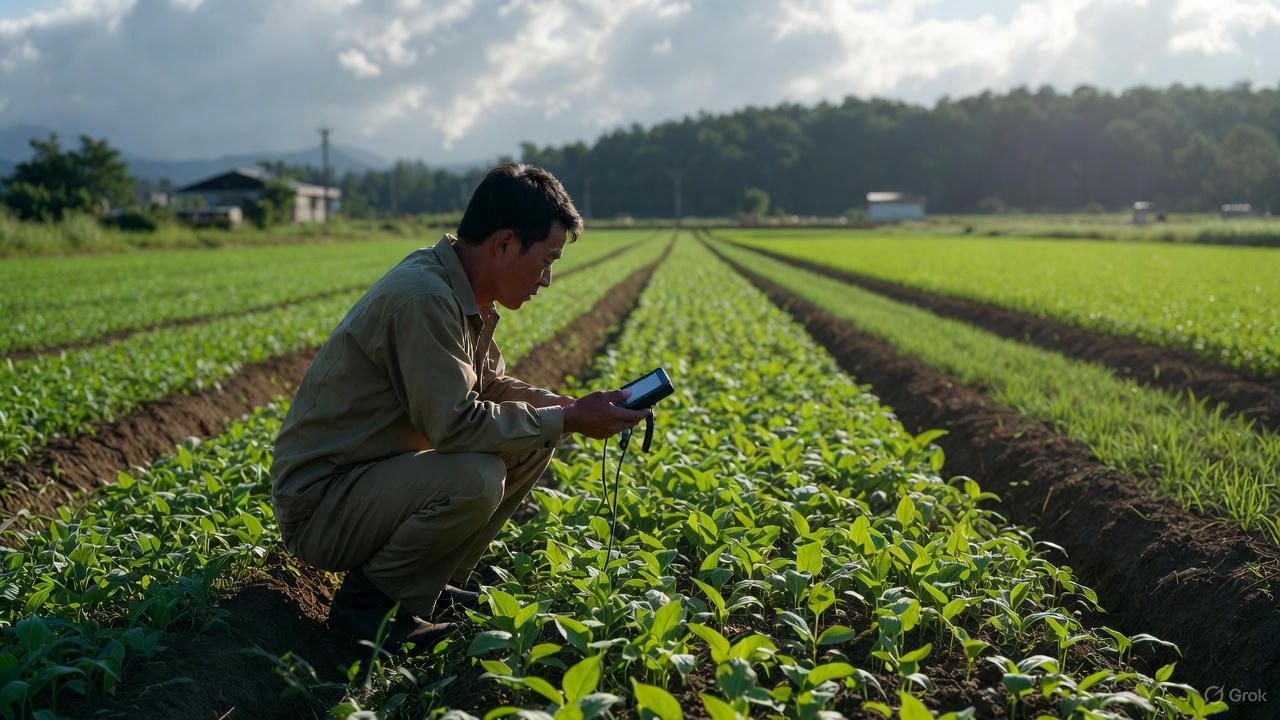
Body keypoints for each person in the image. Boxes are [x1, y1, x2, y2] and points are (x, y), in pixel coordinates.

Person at [270, 163, 650, 650]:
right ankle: (368, 609)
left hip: (369, 482)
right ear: (505, 243)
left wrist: (568, 409)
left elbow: (487, 384)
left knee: (534, 442)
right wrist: (569, 417)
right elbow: (456, 425)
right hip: (323, 505)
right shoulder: (425, 298)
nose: (547, 279)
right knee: (476, 477)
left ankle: (428, 583)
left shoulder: (457, 288)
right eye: (547, 259)